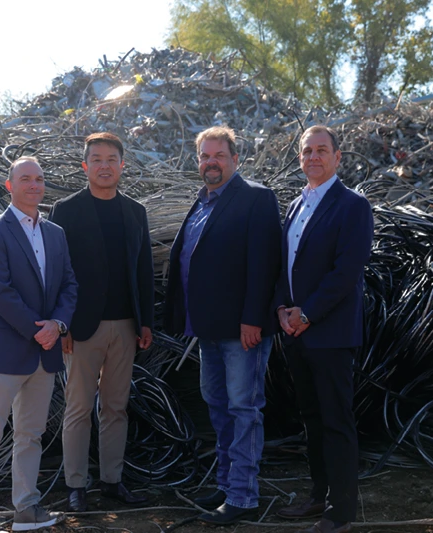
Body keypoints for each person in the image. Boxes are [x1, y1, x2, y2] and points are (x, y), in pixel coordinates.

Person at [163, 126, 282, 525]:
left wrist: (253, 319)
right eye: (204, 156)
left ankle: (244, 497)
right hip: (207, 330)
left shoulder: (256, 198)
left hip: (241, 330)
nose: (210, 162)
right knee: (218, 407)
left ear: (235, 159)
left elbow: (263, 264)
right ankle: (227, 482)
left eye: (218, 155)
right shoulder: (201, 202)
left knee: (243, 409)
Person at [0, 157, 77, 533]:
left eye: (39, 179)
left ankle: (26, 509)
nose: (34, 185)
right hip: (3, 352)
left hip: (44, 356)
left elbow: (69, 287)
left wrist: (58, 325)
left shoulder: (56, 234)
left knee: (30, 435)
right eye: (25, 179)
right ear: (9, 185)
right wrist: (38, 330)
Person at [273, 125, 373, 533]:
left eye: (321, 150)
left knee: (336, 421)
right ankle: (318, 496)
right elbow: (285, 264)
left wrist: (308, 313)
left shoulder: (352, 206)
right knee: (311, 418)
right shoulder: (297, 206)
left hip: (329, 334)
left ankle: (341, 511)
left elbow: (346, 272)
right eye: (306, 151)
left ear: (337, 157)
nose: (313, 157)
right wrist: (282, 307)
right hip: (297, 332)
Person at [49, 132, 153, 512]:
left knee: (116, 407)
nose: (105, 165)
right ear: (85, 165)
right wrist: (62, 324)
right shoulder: (66, 210)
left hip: (126, 326)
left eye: (112, 159)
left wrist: (146, 322)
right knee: (78, 407)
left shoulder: (135, 212)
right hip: (80, 328)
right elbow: (57, 272)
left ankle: (112, 481)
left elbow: (142, 271)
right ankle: (76, 485)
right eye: (97, 159)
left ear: (122, 165)